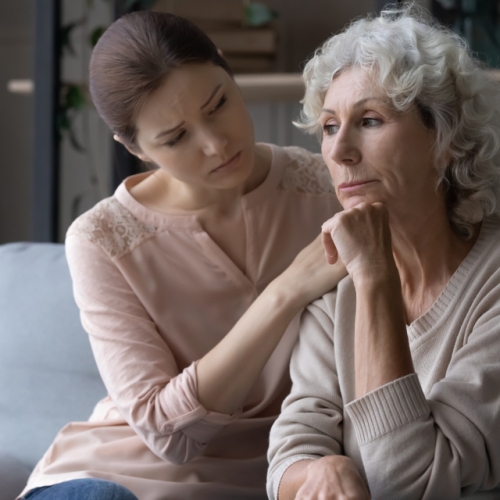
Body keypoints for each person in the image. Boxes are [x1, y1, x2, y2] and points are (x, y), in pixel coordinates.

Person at [18, 11, 347, 500]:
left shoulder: (328, 185)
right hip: (115, 477)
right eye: (175, 138)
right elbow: (166, 435)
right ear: (135, 148)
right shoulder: (100, 239)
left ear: (228, 71)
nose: (216, 144)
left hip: (282, 473)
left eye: (218, 105)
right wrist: (284, 293)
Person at [267, 5, 500, 500]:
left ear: (445, 140)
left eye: (369, 120)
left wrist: (375, 276)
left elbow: (406, 483)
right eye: (329, 127)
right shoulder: (336, 292)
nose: (339, 150)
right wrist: (319, 472)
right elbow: (289, 453)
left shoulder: (492, 283)